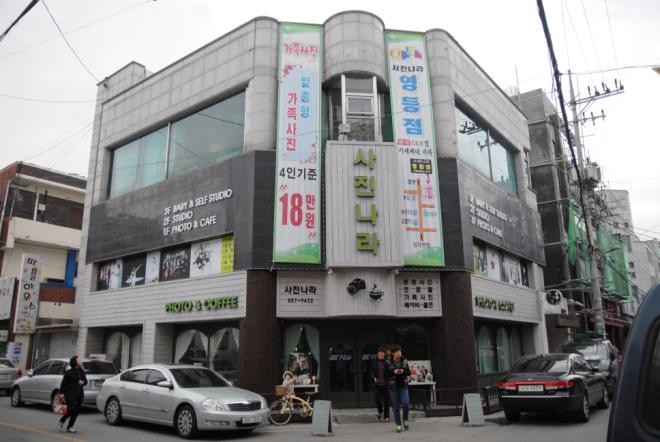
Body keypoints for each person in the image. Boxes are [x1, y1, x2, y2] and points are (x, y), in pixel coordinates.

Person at [57, 355, 87, 433]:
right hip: (70, 394)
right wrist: (62, 393)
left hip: (79, 394)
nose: (80, 361)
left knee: (77, 411)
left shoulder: (82, 371)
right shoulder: (69, 372)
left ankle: (70, 427)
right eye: (78, 360)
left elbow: (85, 382)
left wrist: (83, 382)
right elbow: (64, 384)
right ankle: (61, 421)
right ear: (75, 362)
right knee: (71, 410)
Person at [386, 345, 411, 433]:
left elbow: (409, 372)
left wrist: (403, 371)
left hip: (403, 386)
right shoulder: (388, 362)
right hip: (393, 387)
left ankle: (405, 419)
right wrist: (394, 372)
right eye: (397, 352)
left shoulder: (404, 360)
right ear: (393, 353)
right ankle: (398, 424)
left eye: (400, 352)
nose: (399, 354)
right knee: (396, 407)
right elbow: (386, 374)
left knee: (406, 403)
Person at [370, 346, 390, 422]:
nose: (381, 354)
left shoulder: (387, 362)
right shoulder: (374, 362)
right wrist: (374, 377)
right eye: (380, 352)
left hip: (385, 384)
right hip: (377, 384)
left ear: (384, 354)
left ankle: (386, 416)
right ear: (378, 353)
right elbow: (371, 372)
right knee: (377, 400)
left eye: (382, 353)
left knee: (386, 401)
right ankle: (380, 411)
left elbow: (390, 372)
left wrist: (387, 376)